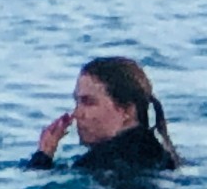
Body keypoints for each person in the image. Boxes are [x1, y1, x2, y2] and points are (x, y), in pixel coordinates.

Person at [28, 56, 180, 176]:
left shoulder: (96, 164)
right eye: (77, 102)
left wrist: (42, 158)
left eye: (88, 102)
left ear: (127, 111)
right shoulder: (164, 156)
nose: (76, 114)